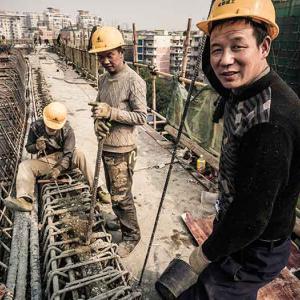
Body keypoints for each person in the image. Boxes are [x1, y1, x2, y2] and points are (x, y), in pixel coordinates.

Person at [179, 0, 300, 299]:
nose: (225, 60)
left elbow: (251, 218)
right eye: (218, 48)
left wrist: (203, 255)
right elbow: (210, 64)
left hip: (255, 246)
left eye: (237, 46)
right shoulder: (244, 85)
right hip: (240, 231)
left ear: (264, 47)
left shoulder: (271, 121)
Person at [88, 26, 147, 257]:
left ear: (121, 52)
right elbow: (97, 108)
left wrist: (111, 113)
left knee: (122, 195)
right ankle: (121, 220)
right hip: (106, 145)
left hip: (123, 148)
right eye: (101, 56)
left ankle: (132, 235)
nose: (105, 61)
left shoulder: (134, 81)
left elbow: (142, 117)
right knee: (114, 191)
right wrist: (97, 123)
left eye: (109, 55)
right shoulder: (103, 80)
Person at [3, 101, 109, 212]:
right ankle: (25, 200)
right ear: (44, 120)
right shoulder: (36, 127)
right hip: (46, 160)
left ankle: (98, 188)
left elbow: (69, 154)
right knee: (24, 166)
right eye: (50, 126)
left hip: (64, 159)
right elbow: (28, 147)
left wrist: (58, 169)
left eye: (55, 127)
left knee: (80, 153)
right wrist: (37, 147)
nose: (52, 129)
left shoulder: (67, 130)